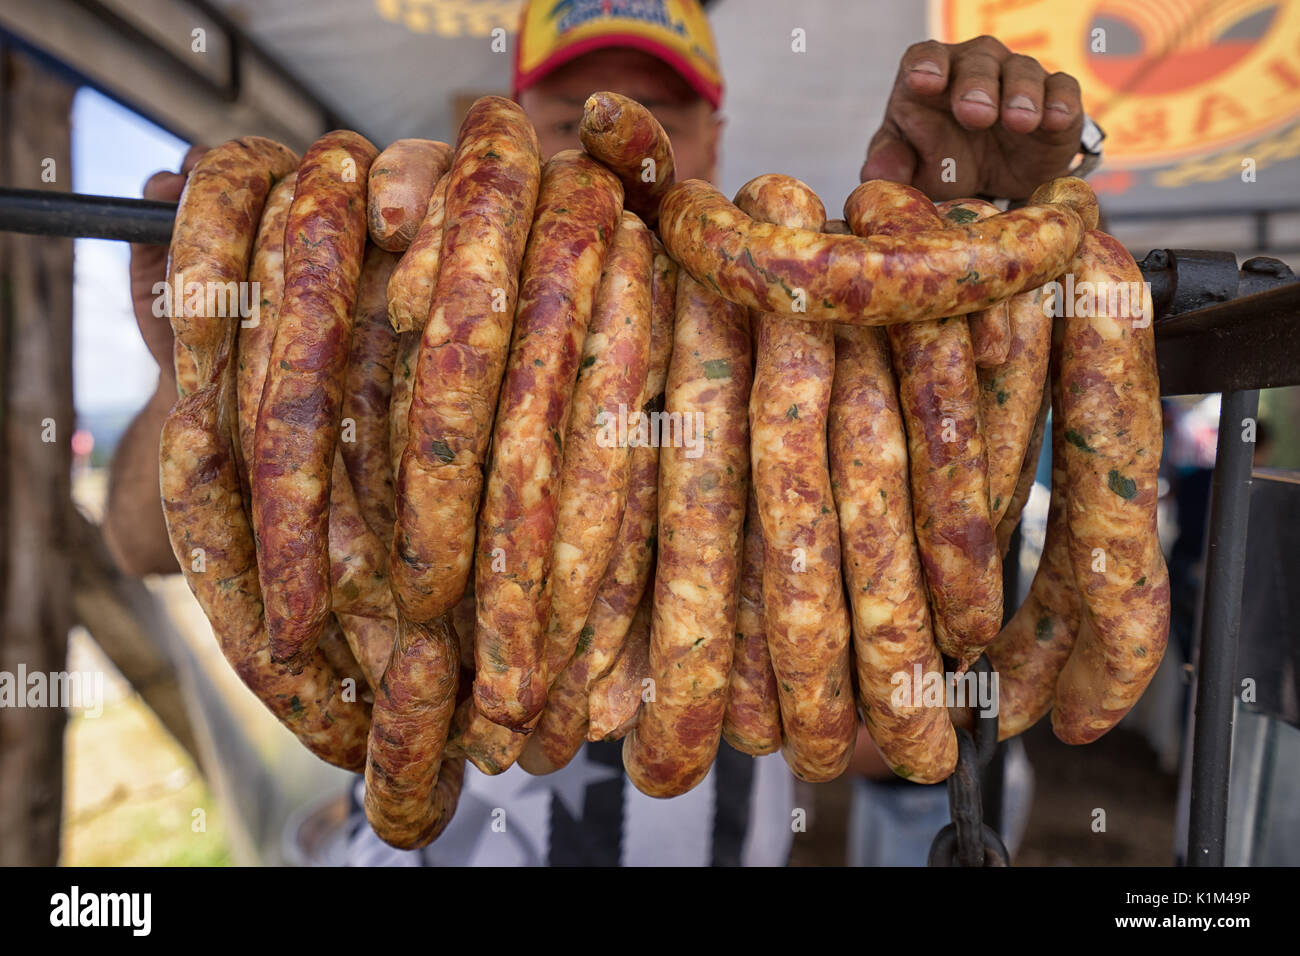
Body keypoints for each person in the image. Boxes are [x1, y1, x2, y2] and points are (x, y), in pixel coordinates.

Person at [107, 0, 1092, 865]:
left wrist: (974, 235)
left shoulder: (791, 338)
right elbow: (145, 540)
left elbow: (890, 728)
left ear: (713, 137)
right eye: (571, 117)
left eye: (662, 115)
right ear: (509, 130)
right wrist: (192, 373)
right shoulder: (410, 293)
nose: (621, 150)